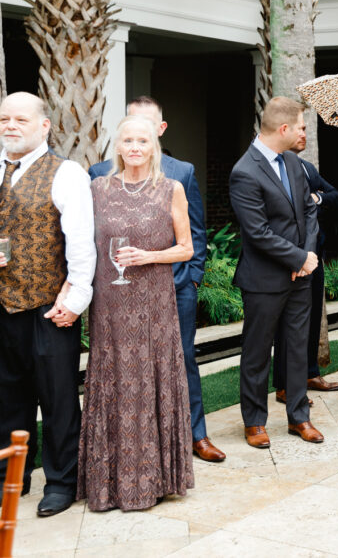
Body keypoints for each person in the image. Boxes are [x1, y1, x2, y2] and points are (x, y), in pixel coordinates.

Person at [87, 96, 223, 463]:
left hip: (173, 287)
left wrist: (191, 279)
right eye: (130, 131)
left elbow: (194, 234)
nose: (136, 140)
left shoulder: (181, 173)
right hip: (118, 293)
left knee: (181, 361)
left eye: (145, 133)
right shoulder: (99, 176)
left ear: (159, 133)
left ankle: (195, 435)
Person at [78, 115, 195, 511]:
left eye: (142, 141)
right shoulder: (97, 189)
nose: (134, 147)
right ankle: (109, 483)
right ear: (118, 146)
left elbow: (186, 249)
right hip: (109, 304)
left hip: (153, 305)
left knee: (151, 379)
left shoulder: (171, 189)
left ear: (153, 145)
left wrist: (150, 256)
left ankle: (157, 478)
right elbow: (80, 242)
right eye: (127, 140)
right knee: (114, 382)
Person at [0, 92, 95, 518]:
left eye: (21, 119)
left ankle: (60, 482)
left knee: (57, 399)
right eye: (4, 119)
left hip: (49, 306)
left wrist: (76, 300)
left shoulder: (66, 173)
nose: (10, 126)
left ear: (44, 126)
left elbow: (81, 243)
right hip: (2, 306)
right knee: (7, 398)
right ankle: (10, 477)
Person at [229, 96, 322, 447]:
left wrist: (308, 256)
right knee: (257, 352)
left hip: (301, 276)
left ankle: (299, 417)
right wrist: (298, 258)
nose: (303, 132)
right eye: (300, 126)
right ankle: (254, 421)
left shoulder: (295, 163)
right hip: (264, 280)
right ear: (283, 129)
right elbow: (257, 232)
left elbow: (310, 210)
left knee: (297, 349)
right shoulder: (245, 171)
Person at [272, 131, 338, 407]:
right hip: (284, 259)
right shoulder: (270, 169)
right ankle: (283, 386)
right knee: (284, 324)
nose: (304, 134)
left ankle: (310, 374)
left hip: (314, 255)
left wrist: (317, 200)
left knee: (312, 317)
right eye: (298, 129)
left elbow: (335, 196)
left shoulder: (307, 168)